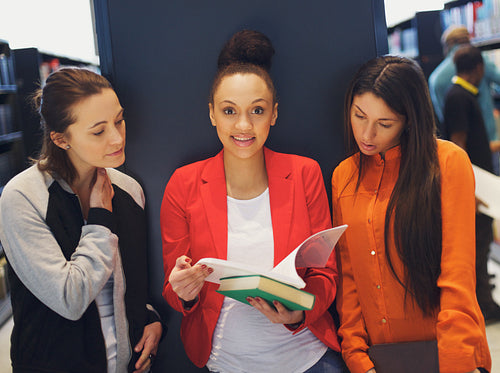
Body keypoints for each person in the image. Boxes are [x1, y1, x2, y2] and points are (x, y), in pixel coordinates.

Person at [161, 30, 344, 372]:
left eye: (257, 110)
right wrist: (183, 290)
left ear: (274, 113)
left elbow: (325, 274)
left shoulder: (305, 173)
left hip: (307, 356)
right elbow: (174, 290)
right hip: (227, 361)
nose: (244, 125)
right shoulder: (183, 184)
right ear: (212, 113)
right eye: (229, 111)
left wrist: (301, 310)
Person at [332, 55, 491, 373]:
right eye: (359, 116)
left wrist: (455, 363)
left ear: (409, 120)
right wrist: (357, 357)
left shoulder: (447, 163)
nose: (367, 134)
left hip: (446, 353)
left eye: (384, 124)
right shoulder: (344, 176)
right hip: (379, 359)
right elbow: (349, 278)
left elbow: (457, 276)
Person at [0, 68, 163, 373]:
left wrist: (148, 316)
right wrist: (100, 220)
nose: (117, 138)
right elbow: (70, 299)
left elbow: (131, 282)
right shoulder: (22, 197)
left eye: (119, 120)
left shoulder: (129, 190)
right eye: (99, 131)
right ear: (61, 139)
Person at [443, 45, 500, 324]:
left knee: (483, 244)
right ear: (478, 68)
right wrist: (470, 191)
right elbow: (458, 145)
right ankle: (484, 307)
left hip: (479, 186)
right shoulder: (459, 97)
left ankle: (486, 302)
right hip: (476, 191)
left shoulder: (463, 95)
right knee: (478, 247)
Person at [428, 25, 500, 172]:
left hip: (460, 148)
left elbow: (442, 117)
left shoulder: (436, 78)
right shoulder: (480, 60)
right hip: (484, 142)